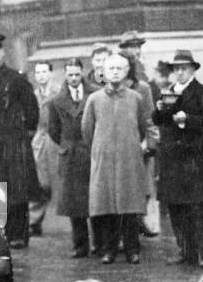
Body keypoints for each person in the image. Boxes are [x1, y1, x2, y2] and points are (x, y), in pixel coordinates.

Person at [83, 52, 152, 264]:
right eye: (110, 68)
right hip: (103, 160)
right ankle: (109, 249)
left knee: (129, 207)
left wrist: (130, 146)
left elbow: (143, 127)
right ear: (103, 72)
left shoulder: (136, 98)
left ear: (125, 72)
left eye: (119, 68)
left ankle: (132, 249)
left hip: (128, 160)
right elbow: (87, 130)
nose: (114, 72)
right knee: (106, 207)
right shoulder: (94, 100)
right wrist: (101, 148)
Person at [0, 32, 40, 249]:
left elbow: (32, 111)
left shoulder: (16, 78)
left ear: (2, 52)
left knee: (18, 188)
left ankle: (19, 234)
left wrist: (23, 135)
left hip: (15, 140)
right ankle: (4, 232)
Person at [154, 51, 203, 266]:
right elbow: (159, 121)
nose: (179, 72)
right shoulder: (168, 92)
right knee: (176, 207)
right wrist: (159, 109)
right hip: (171, 158)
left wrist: (187, 120)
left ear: (192, 69)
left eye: (184, 68)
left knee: (198, 207)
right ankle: (185, 251)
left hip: (193, 157)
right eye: (176, 69)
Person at [46, 58, 98, 257]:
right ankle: (80, 246)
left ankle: (100, 243)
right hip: (70, 155)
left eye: (77, 74)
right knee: (74, 204)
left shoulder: (94, 94)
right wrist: (67, 144)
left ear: (82, 73)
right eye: (70, 75)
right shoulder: (56, 101)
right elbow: (53, 130)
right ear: (65, 75)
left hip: (90, 152)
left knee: (94, 200)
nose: (74, 79)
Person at [116, 30, 160, 238]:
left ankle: (141, 223)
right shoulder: (113, 77)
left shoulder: (142, 79)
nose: (135, 51)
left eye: (138, 47)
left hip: (140, 143)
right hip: (119, 144)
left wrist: (149, 143)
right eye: (131, 47)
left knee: (143, 187)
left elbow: (149, 116)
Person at [28, 61, 61, 235]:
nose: (41, 75)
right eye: (38, 72)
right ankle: (34, 220)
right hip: (38, 142)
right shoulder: (32, 95)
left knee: (57, 181)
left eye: (44, 71)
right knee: (39, 182)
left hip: (55, 141)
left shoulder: (58, 93)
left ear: (51, 74)